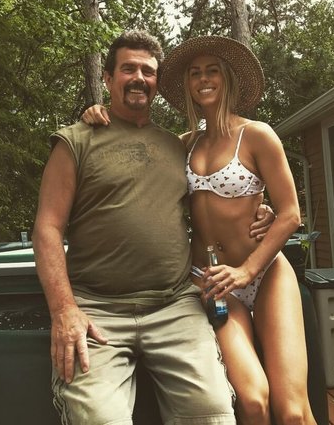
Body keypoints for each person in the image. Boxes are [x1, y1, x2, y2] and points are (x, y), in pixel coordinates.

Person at [32, 30, 274, 425]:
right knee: (99, 420)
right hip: (97, 311)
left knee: (213, 413)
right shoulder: (75, 141)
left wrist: (261, 209)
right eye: (128, 69)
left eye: (148, 71)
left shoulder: (178, 146)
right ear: (108, 78)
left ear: (158, 83)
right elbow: (47, 229)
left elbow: (214, 194)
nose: (139, 78)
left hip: (175, 305)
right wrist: (64, 310)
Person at [84, 35, 317, 425]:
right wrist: (99, 113)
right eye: (195, 73)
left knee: (292, 411)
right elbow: (133, 149)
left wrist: (248, 268)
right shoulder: (182, 145)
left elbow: (291, 215)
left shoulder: (257, 135)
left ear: (227, 78)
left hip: (265, 273)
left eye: (212, 71)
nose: (203, 79)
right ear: (188, 85)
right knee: (252, 401)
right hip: (211, 283)